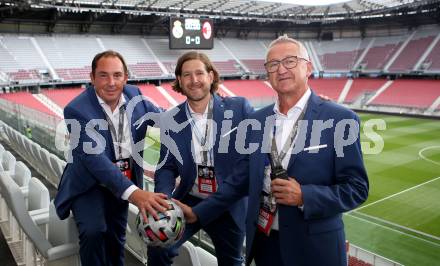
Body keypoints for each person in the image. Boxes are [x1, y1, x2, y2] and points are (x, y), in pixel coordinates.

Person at [189, 36, 369, 266]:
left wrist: (305, 195)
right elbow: (239, 181)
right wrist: (199, 212)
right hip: (265, 245)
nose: (281, 69)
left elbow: (357, 188)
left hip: (315, 250)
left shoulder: (341, 119)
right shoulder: (256, 121)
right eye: (273, 64)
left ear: (309, 67)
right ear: (267, 73)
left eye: (290, 61)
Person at [54, 50, 170, 266]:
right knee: (94, 231)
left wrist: (193, 115)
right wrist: (135, 193)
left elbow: (164, 118)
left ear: (126, 77)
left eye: (117, 75)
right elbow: (94, 159)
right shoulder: (76, 110)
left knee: (117, 238)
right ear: (92, 78)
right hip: (89, 184)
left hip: (122, 181)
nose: (111, 82)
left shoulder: (136, 96)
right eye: (103, 75)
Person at [147, 51, 253, 266]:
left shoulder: (239, 108)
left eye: (199, 73)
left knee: (231, 262)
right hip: (188, 199)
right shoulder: (170, 119)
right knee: (158, 248)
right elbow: (166, 166)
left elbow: (251, 162)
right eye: (187, 75)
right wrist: (164, 199)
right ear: (179, 80)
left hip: (227, 202)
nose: (194, 80)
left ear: (211, 76)